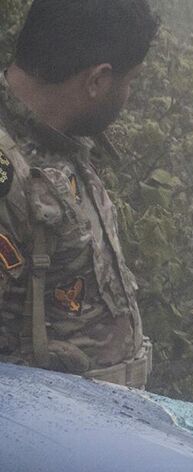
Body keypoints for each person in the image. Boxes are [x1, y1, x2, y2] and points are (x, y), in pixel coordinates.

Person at [0, 0, 159, 387]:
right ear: (97, 81)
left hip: (95, 426)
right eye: (130, 80)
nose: (128, 93)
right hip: (40, 433)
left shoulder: (61, 140)